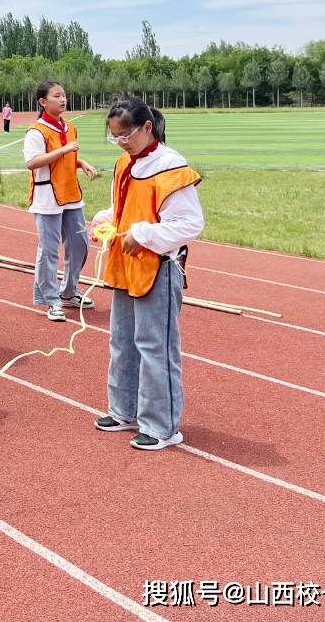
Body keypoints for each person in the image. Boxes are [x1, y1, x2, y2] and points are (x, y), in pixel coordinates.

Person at [92, 97, 203, 451]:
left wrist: (143, 235)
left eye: (126, 135)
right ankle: (124, 410)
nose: (121, 142)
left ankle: (162, 426)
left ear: (147, 128)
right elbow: (123, 208)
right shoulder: (125, 164)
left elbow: (189, 223)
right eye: (114, 136)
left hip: (158, 267)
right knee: (122, 341)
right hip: (126, 266)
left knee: (155, 347)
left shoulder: (171, 167)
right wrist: (106, 220)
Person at [25, 81, 99, 322]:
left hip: (71, 194)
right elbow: (33, 162)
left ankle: (68, 291)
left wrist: (81, 162)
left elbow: (66, 159)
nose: (63, 99)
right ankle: (50, 299)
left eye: (64, 95)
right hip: (48, 196)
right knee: (49, 250)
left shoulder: (70, 127)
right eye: (56, 96)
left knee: (79, 244)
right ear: (42, 102)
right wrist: (65, 150)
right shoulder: (37, 131)